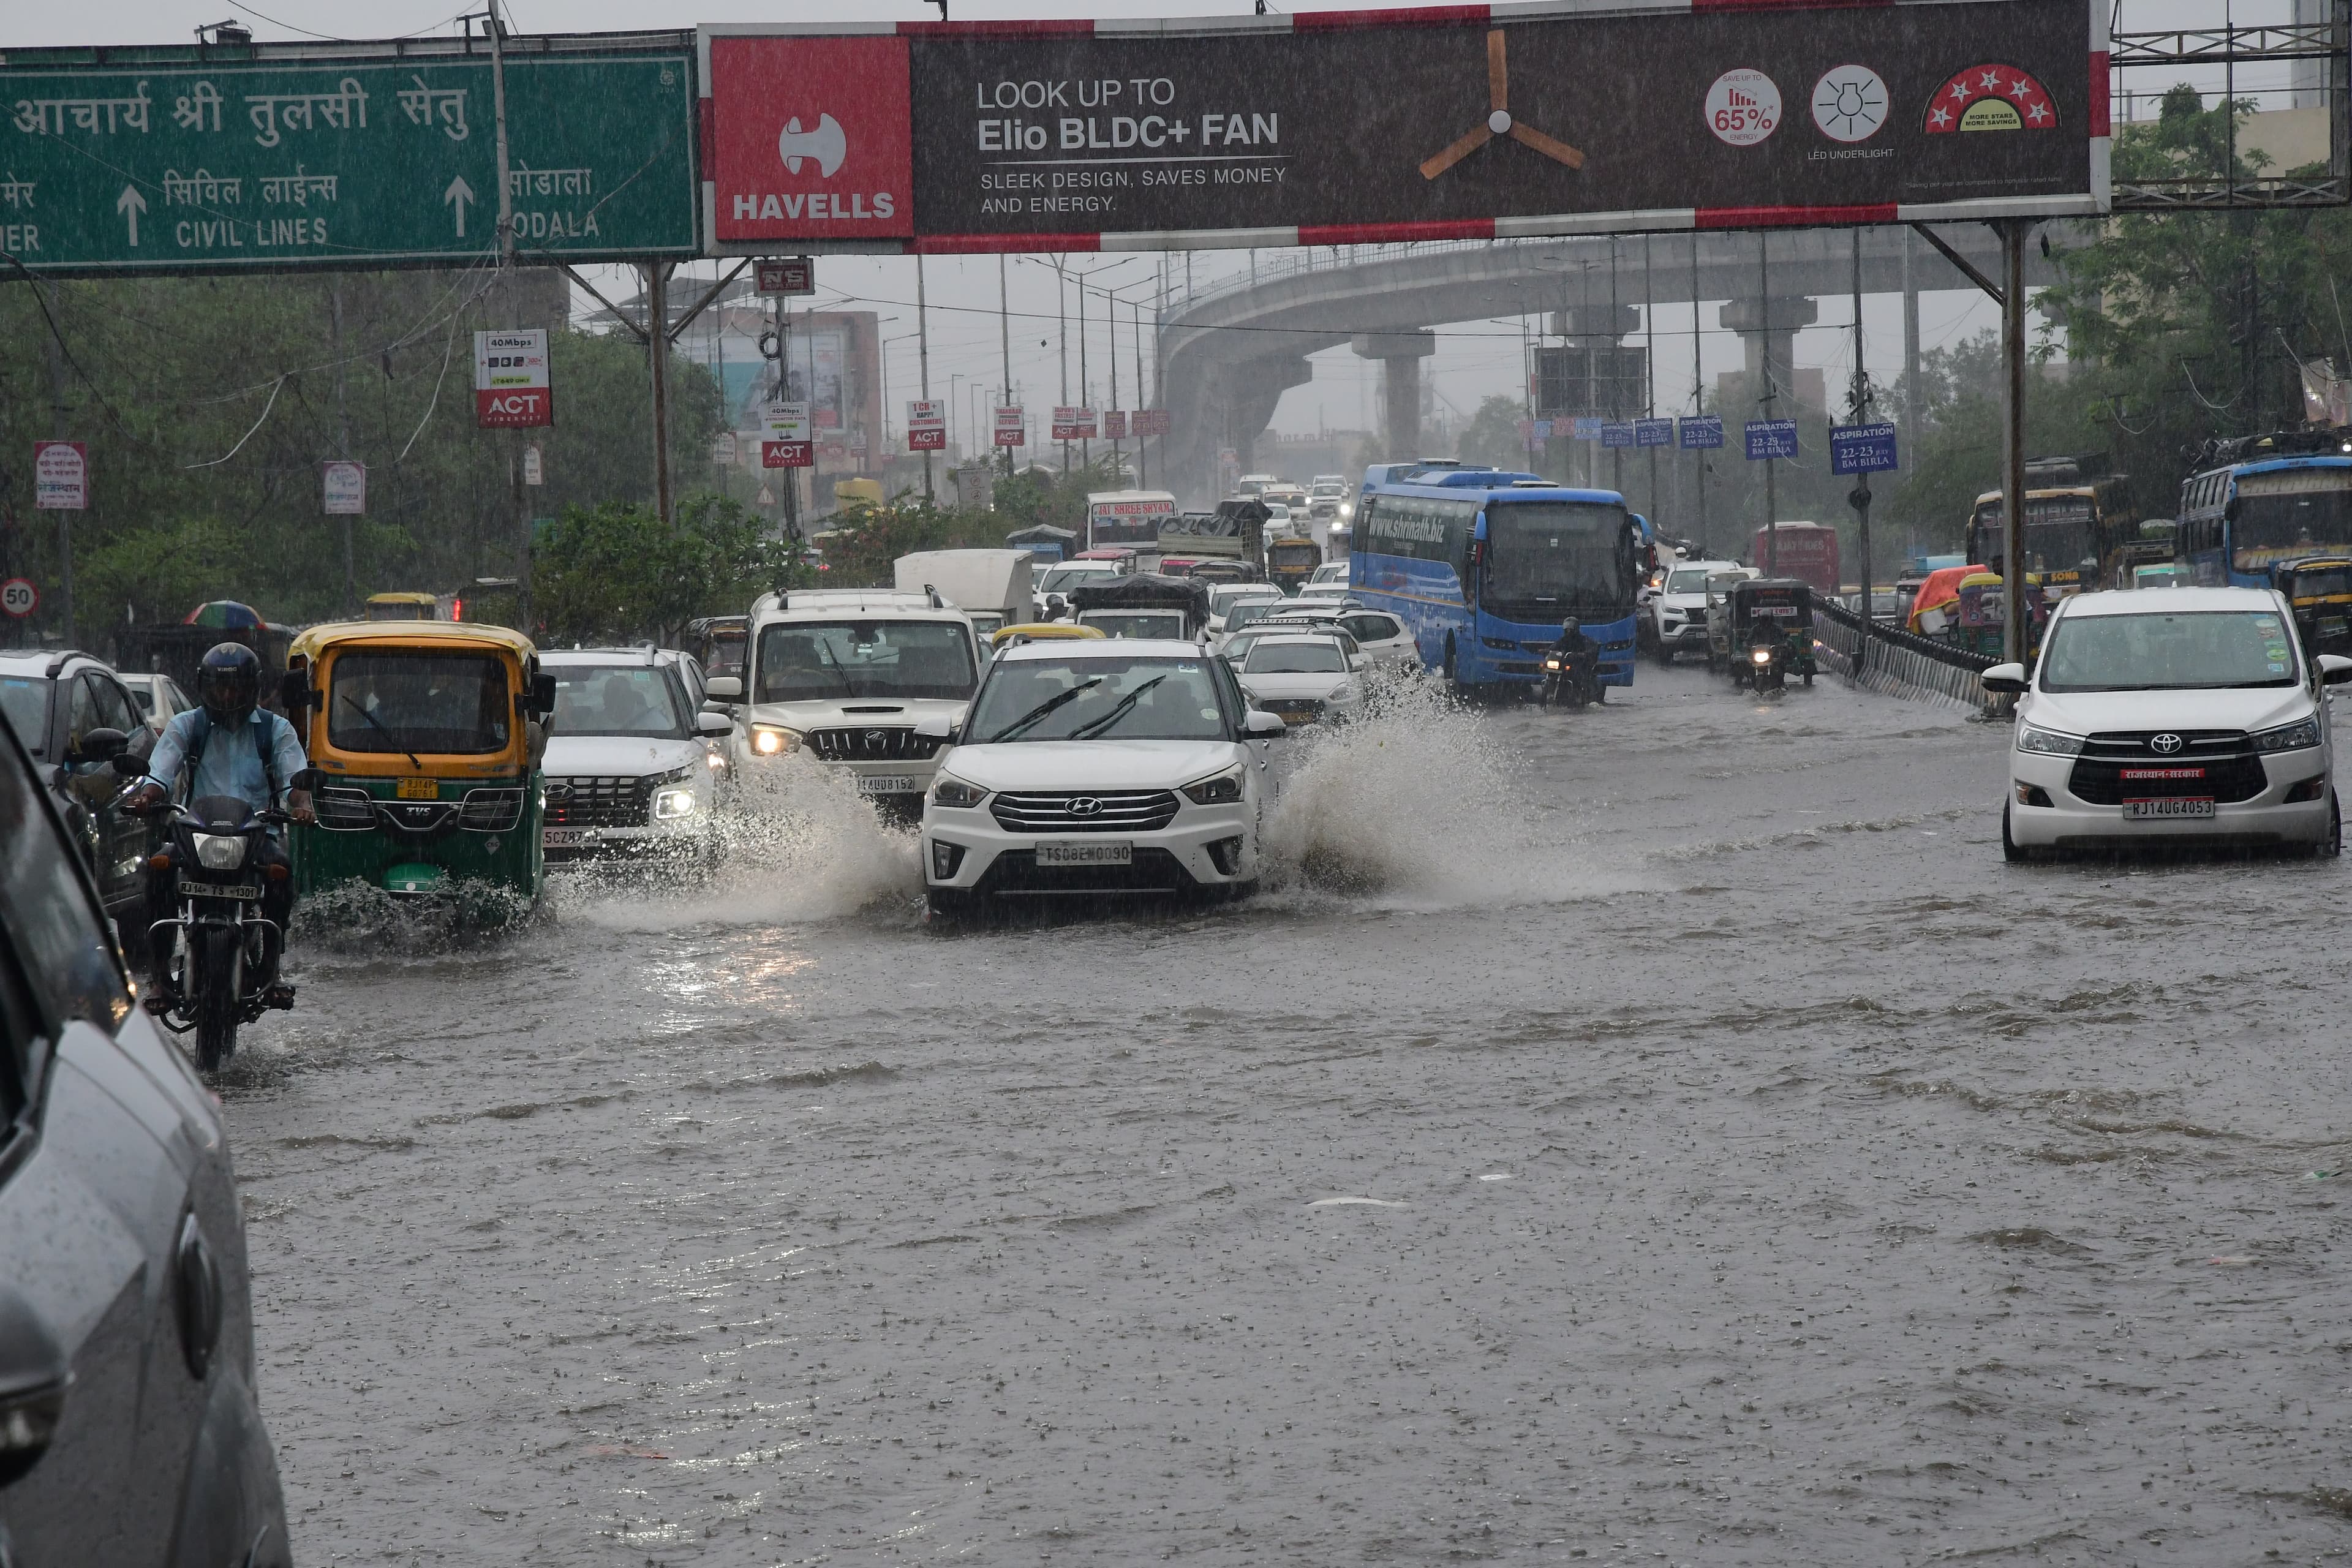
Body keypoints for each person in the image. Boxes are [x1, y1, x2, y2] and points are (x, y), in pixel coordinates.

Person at [127, 643, 314, 1001]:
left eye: (235, 687)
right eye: (218, 687)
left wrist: (303, 805)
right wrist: (146, 797)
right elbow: (160, 774)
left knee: (282, 874)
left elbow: (295, 780)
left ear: (253, 688)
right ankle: (159, 974)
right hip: (194, 835)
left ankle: (271, 971)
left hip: (257, 836)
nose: (227, 695)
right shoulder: (187, 725)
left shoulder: (276, 731)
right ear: (204, 686)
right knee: (158, 870)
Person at [1553, 616, 1602, 705]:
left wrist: (1583, 654)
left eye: (1570, 629)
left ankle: (1579, 695)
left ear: (1576, 629)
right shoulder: (1564, 640)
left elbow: (1593, 649)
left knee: (1578, 675)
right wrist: (1545, 651)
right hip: (1565, 665)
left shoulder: (1583, 639)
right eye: (1567, 629)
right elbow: (1555, 646)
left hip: (1580, 665)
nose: (1568, 631)